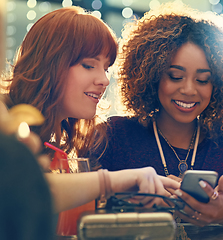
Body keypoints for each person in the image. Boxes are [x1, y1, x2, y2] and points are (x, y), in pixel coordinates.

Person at [92, 2, 223, 227]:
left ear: (217, 84)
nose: (189, 90)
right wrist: (137, 203)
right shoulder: (114, 135)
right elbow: (84, 205)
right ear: (153, 76)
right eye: (176, 77)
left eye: (202, 80)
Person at [0, 6, 180, 216]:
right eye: (88, 65)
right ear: (49, 63)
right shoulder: (6, 120)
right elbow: (26, 193)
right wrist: (112, 181)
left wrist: (124, 197)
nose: (104, 80)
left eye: (106, 68)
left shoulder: (61, 143)